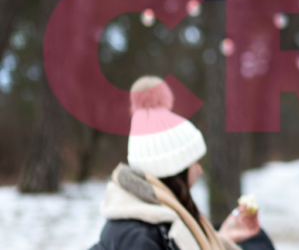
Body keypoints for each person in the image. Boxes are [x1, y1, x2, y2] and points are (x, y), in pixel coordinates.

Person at [91, 76, 271, 250]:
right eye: (195, 162)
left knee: (258, 240)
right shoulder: (142, 236)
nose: (200, 169)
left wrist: (222, 237)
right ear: (175, 168)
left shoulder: (157, 220)